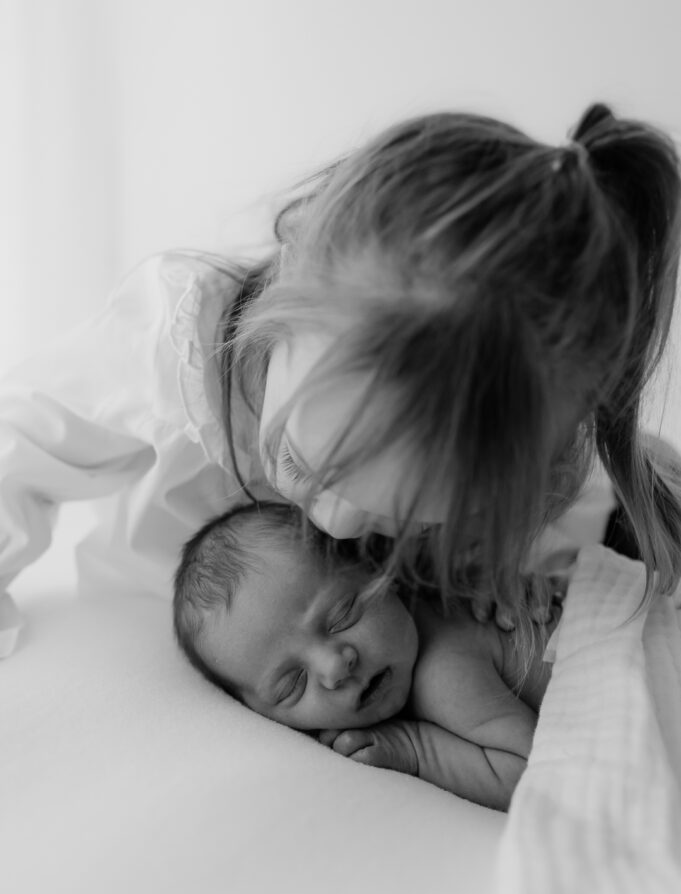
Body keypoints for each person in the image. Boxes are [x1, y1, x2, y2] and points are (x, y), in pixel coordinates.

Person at [2, 102, 680, 659]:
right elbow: (23, 439)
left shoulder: (532, 455)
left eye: (401, 517)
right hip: (154, 637)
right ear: (288, 281)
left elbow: (570, 526)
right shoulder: (176, 350)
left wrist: (526, 571)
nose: (331, 520)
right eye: (301, 462)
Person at [173, 502, 560, 811]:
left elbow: (539, 776)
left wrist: (415, 749)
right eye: (292, 685)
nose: (334, 667)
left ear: (378, 569)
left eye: (342, 616)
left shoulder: (442, 673)